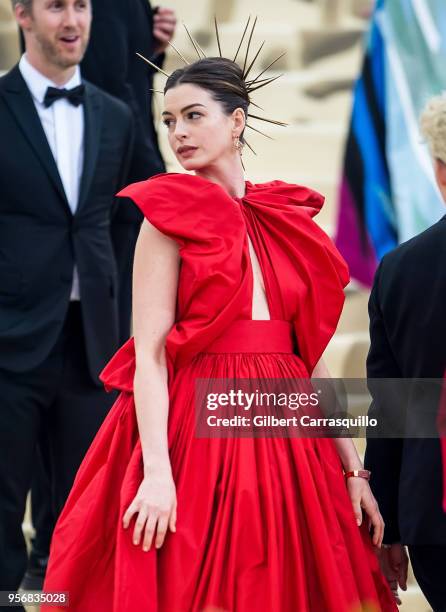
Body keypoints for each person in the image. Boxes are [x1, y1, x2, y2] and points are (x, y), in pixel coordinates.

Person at [42, 51, 397, 611]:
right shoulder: (164, 222)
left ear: (236, 121)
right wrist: (157, 474)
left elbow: (310, 358)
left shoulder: (283, 217)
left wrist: (355, 468)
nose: (178, 132)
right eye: (168, 120)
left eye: (193, 115)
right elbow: (151, 356)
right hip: (198, 429)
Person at [0, 0, 133, 601]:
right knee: (3, 501)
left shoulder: (116, 114)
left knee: (81, 505)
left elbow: (121, 222)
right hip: (9, 338)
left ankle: (61, 600)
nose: (72, 19)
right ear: (23, 15)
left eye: (81, 6)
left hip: (94, 340)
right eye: (56, 6)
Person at [365, 93, 446, 610]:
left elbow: (391, 408)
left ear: (439, 171)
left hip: (434, 517)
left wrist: (389, 525)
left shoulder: (398, 271)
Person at [81, 0, 176, 343]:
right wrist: (155, 180)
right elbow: (110, 87)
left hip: (127, 173)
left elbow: (123, 72)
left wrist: (151, 50)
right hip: (112, 182)